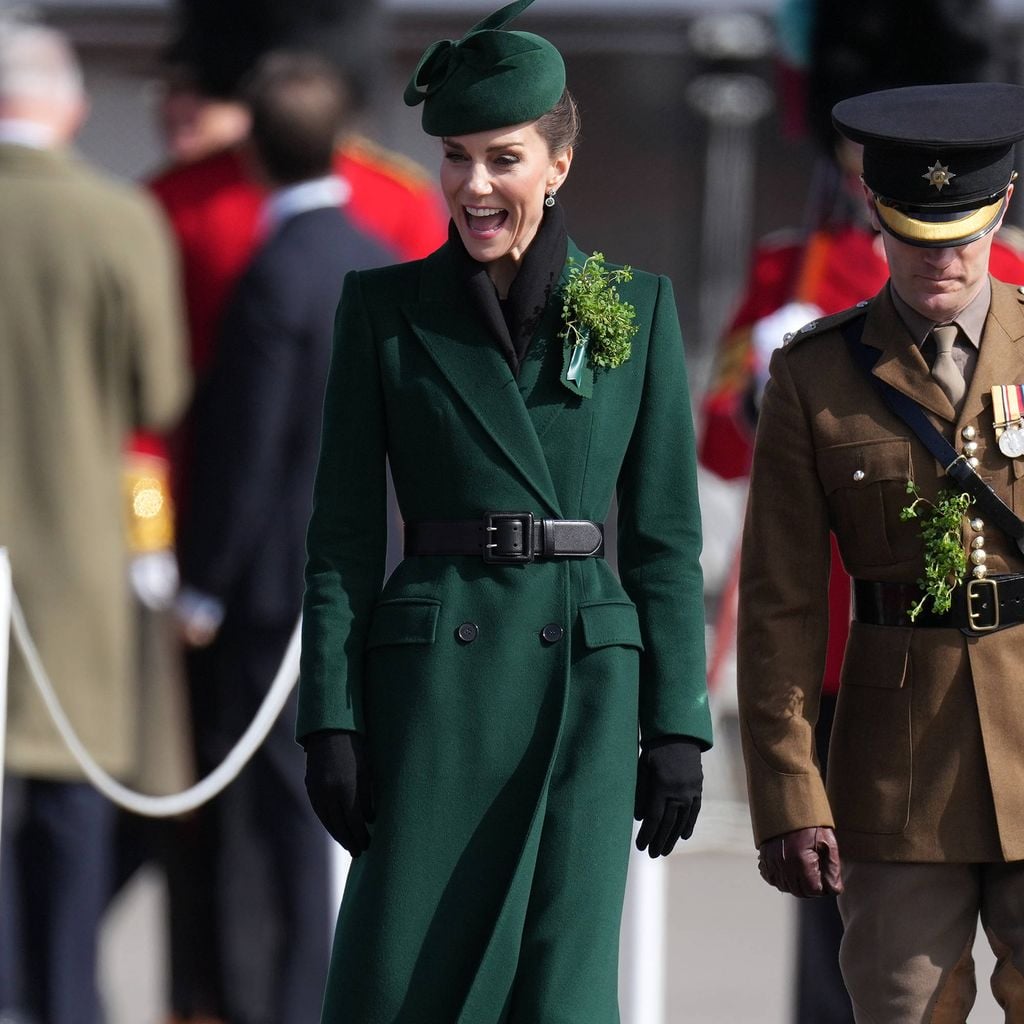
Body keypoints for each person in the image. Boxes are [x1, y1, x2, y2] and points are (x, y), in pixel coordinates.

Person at [298, 0, 712, 1019]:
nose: (474, 185)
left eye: (504, 159)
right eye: (455, 157)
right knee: (402, 983)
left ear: (558, 164)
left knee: (557, 989)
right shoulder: (381, 310)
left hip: (583, 687)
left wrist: (678, 724)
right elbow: (341, 539)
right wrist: (330, 721)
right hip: (433, 689)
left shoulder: (639, 306)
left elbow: (664, 540)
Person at [698, 4, 1024, 1022]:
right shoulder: (790, 296)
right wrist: (750, 396)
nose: (942, 256)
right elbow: (728, 466)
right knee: (858, 986)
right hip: (864, 686)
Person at [171, 52, 394, 1024]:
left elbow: (246, 451)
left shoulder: (274, 271)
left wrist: (204, 584)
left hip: (275, 588)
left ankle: (285, 1004)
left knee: (277, 820)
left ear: (254, 152)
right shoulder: (379, 256)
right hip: (370, 573)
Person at [0, 20, 190, 1024]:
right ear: (69, 107)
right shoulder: (118, 219)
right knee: (72, 800)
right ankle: (66, 1000)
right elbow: (158, 392)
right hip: (75, 550)